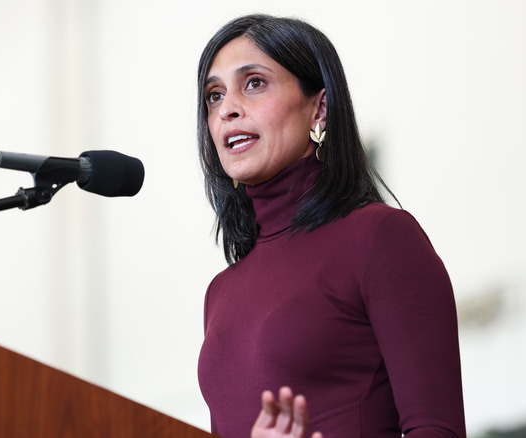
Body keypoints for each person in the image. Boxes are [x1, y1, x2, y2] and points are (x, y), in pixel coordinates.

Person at [195, 14, 466, 438]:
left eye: (254, 83)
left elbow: (437, 429)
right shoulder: (219, 294)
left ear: (319, 109)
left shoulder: (380, 238)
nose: (227, 109)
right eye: (214, 96)